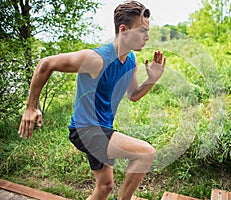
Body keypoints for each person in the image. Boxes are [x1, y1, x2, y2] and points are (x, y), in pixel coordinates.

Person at [18, 1, 166, 200]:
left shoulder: (130, 60)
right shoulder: (97, 59)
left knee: (104, 186)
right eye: (141, 31)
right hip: (85, 129)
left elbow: (134, 95)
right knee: (146, 153)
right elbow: (46, 63)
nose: (147, 37)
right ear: (123, 30)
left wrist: (152, 79)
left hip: (102, 129)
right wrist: (31, 107)